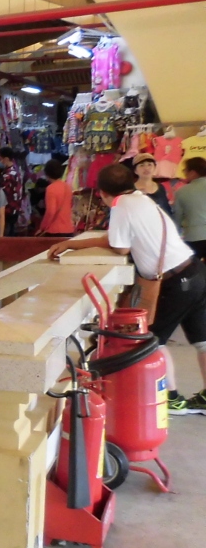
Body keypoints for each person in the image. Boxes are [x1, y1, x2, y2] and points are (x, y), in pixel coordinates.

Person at [49, 163, 206, 414]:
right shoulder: (141, 199)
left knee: (154, 340)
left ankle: (171, 399)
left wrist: (73, 244)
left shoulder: (120, 204)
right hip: (194, 270)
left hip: (176, 281)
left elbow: (120, 246)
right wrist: (74, 243)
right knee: (202, 341)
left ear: (102, 192)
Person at [174, 157, 206, 259]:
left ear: (192, 172)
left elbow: (177, 219)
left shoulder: (182, 192)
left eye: (185, 171)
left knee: (194, 267)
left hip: (193, 237)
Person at [36, 159, 75, 236]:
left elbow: (51, 211)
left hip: (54, 230)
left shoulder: (50, 188)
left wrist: (42, 227)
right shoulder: (67, 187)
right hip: (68, 228)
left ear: (47, 173)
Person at [0, 148, 24, 236]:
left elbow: (4, 193)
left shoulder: (8, 175)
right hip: (15, 208)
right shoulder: (16, 170)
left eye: (0, 159)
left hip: (8, 209)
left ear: (6, 159)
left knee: (6, 234)